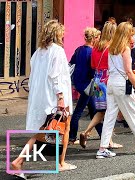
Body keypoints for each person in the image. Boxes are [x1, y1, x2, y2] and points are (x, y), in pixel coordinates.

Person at [11, 20, 76, 178]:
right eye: (61, 32)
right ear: (56, 34)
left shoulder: (38, 52)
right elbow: (56, 76)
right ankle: (60, 163)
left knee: (42, 129)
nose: (63, 35)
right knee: (65, 127)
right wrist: (61, 98)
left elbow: (35, 74)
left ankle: (19, 161)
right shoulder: (57, 51)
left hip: (41, 96)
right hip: (55, 95)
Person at [96, 22, 135, 158]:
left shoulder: (111, 48)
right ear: (126, 34)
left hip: (111, 83)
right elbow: (129, 71)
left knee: (110, 116)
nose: (133, 37)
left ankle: (102, 148)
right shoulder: (125, 49)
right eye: (131, 34)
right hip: (122, 84)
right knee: (133, 113)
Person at [79, 21, 122, 149]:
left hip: (97, 81)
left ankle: (88, 133)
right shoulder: (112, 48)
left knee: (102, 111)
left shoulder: (96, 47)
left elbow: (92, 65)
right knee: (110, 111)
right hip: (107, 81)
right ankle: (106, 140)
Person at [69, 27, 103, 144]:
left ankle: (103, 135)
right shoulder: (92, 52)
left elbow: (72, 63)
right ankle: (72, 137)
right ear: (94, 38)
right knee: (79, 111)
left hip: (79, 83)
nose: (99, 39)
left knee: (94, 109)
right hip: (88, 85)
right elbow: (93, 70)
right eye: (98, 37)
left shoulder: (79, 49)